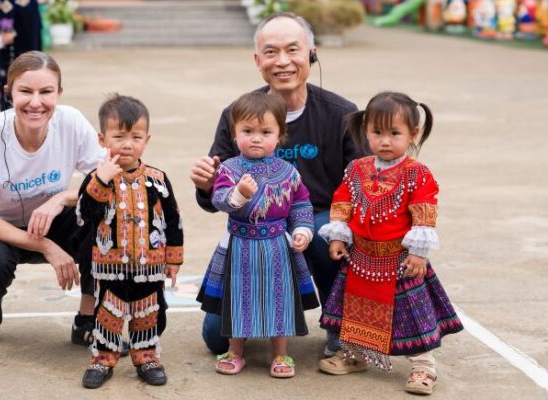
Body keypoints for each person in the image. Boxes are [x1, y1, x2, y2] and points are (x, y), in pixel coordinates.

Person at [190, 12, 364, 356]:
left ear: (312, 54)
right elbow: (215, 198)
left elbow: (361, 188)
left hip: (317, 219)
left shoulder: (342, 114)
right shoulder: (237, 114)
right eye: (271, 52)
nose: (282, 61)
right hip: (253, 229)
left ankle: (338, 321)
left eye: (293, 50)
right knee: (215, 338)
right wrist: (206, 185)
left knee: (326, 232)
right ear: (258, 61)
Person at [317, 92, 463, 395]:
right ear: (365, 131)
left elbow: (424, 213)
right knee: (356, 307)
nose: (385, 141)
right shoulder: (356, 169)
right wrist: (338, 235)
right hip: (360, 257)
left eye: (394, 133)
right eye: (377, 132)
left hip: (400, 260)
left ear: (413, 134)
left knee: (410, 314)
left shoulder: (417, 174)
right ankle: (357, 355)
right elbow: (343, 201)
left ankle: (423, 366)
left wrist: (419, 253)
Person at [0, 51, 104, 346]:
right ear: (9, 93)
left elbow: (107, 179)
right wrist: (45, 246)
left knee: (110, 222)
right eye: (25, 91)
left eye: (46, 92)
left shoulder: (71, 122)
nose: (36, 102)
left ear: (59, 93)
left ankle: (87, 320)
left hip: (53, 221)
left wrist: (60, 199)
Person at [196, 91, 318, 378]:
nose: (256, 138)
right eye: (247, 131)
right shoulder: (228, 169)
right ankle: (234, 351)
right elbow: (219, 199)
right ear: (234, 133)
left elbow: (301, 204)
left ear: (280, 135)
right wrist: (239, 194)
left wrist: (302, 230)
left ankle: (281, 354)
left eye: (265, 132)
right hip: (240, 245)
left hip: (277, 246)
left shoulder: (288, 172)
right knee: (238, 297)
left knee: (280, 298)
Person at [77, 94, 183, 389]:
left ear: (146, 140)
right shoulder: (96, 178)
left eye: (135, 137)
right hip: (109, 266)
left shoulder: (157, 179)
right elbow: (83, 215)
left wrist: (173, 259)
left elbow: (173, 219)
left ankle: (147, 357)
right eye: (119, 136)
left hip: (150, 265)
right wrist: (101, 181)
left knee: (148, 313)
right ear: (102, 139)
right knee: (107, 314)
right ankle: (103, 359)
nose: (127, 144)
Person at [0, 0, 42, 111]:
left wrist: (6, 30)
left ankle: (15, 108)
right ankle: (11, 109)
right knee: (17, 74)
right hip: (21, 33)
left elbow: (5, 8)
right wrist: (6, 29)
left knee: (23, 73)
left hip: (23, 33)